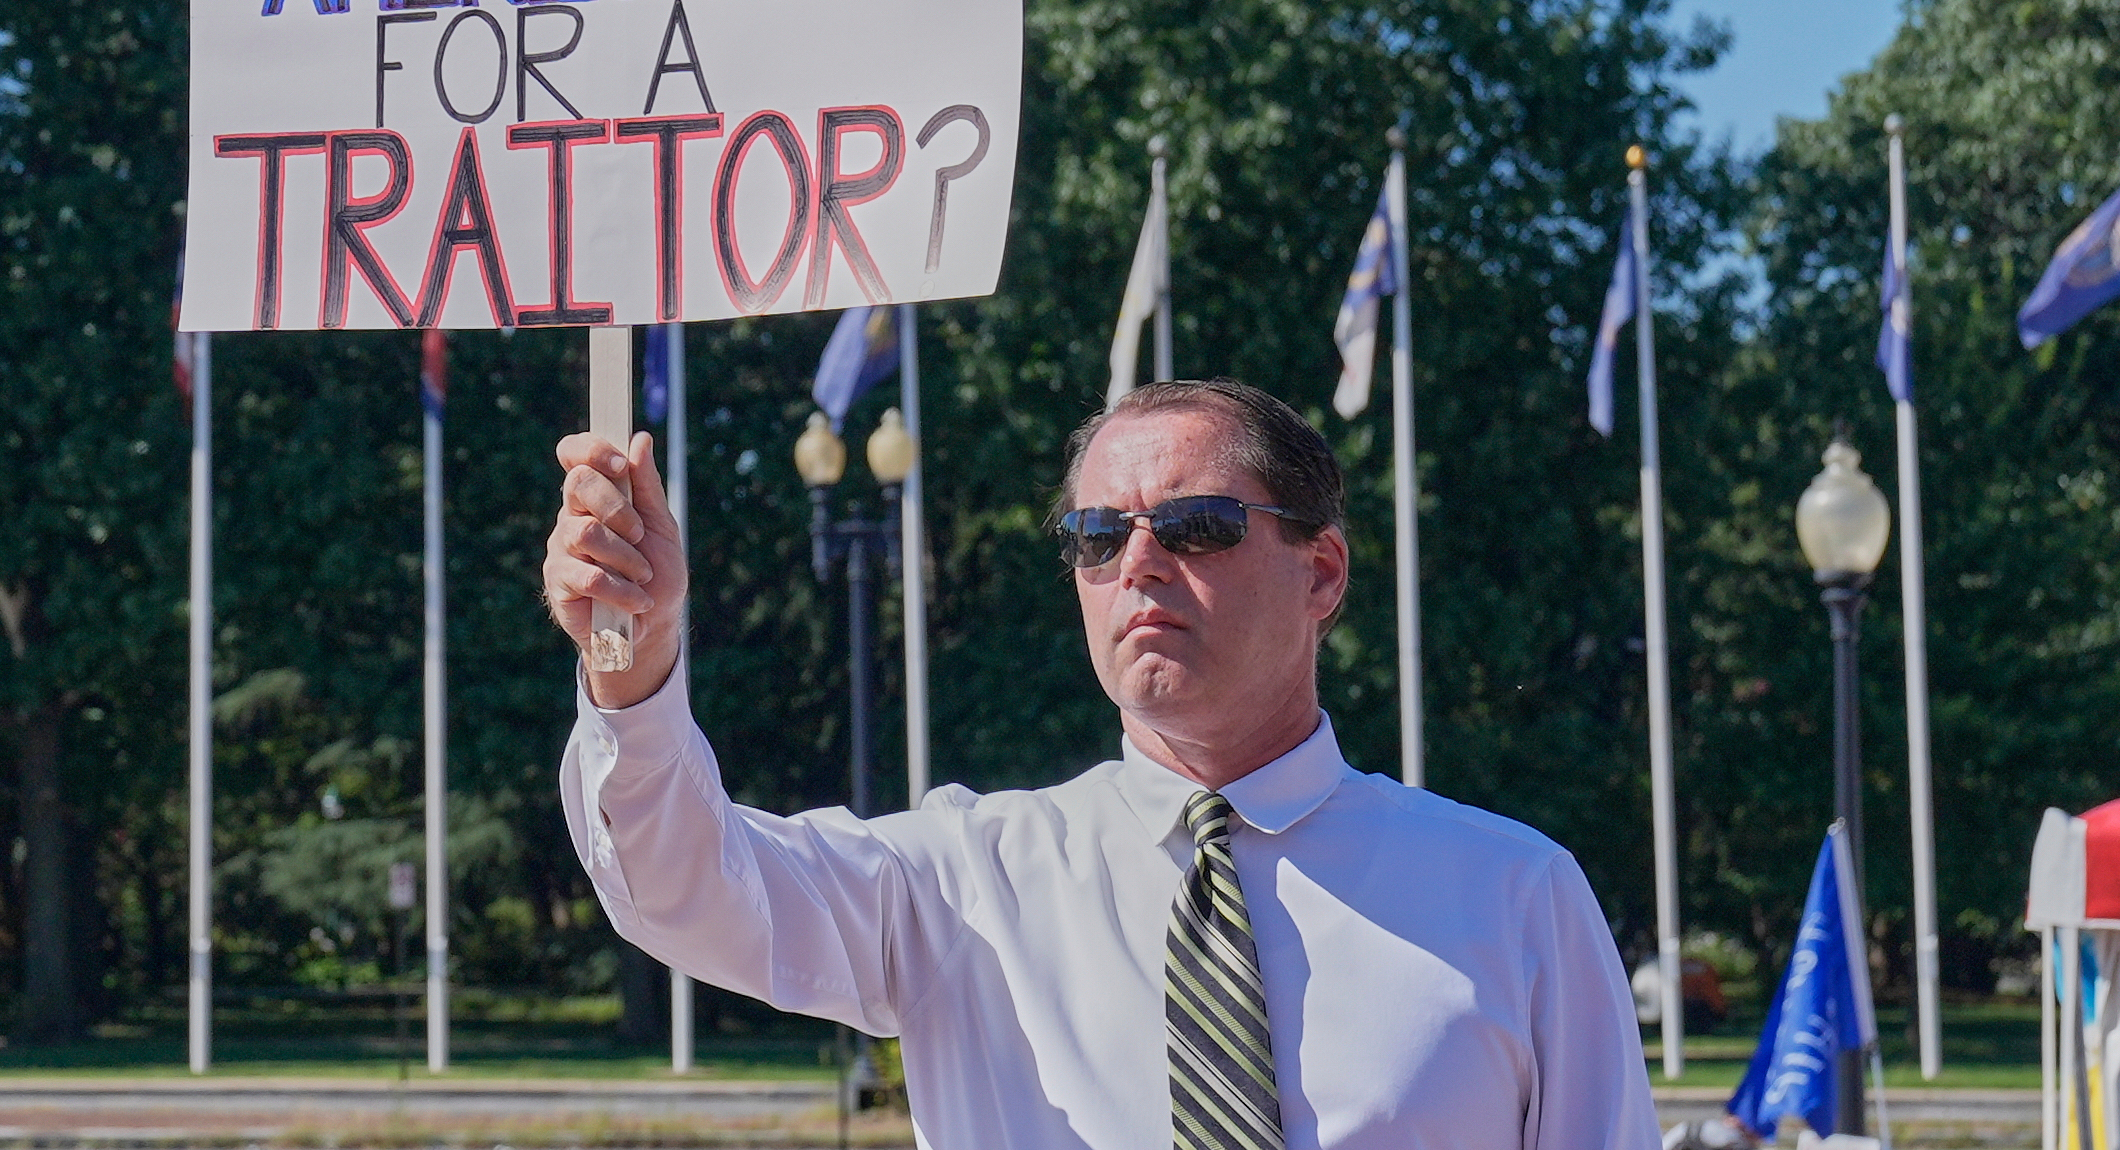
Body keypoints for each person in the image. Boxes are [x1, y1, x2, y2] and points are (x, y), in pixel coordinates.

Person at [548, 378, 1655, 1149]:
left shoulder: (1515, 894)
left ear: (1320, 572)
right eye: (1094, 534)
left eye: (1196, 525)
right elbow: (685, 885)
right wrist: (631, 668)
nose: (1137, 564)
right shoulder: (962, 881)